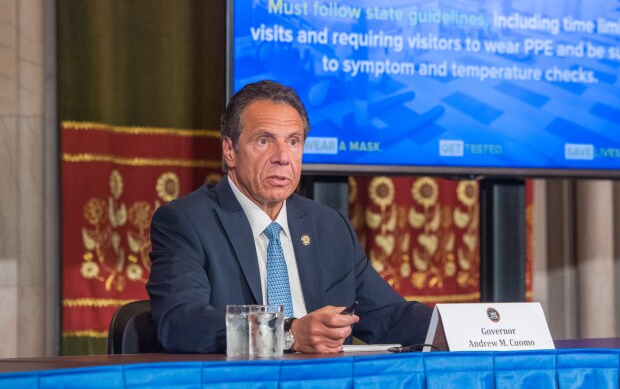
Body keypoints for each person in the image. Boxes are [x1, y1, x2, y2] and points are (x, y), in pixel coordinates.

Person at [147, 80, 432, 353]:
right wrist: (287, 333)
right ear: (229, 151)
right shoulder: (187, 221)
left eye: (293, 142)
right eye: (264, 141)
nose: (282, 157)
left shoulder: (328, 226)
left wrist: (461, 326)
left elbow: (389, 315)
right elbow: (180, 321)